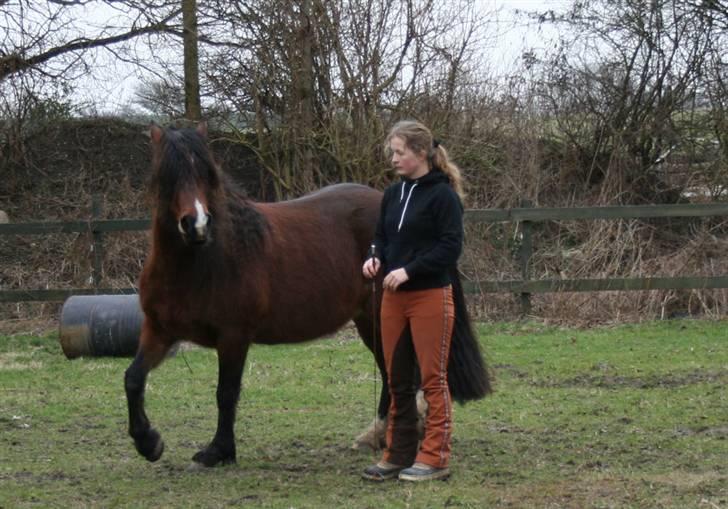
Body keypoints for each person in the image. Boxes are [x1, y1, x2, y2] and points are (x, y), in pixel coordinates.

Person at [362, 120, 465, 482]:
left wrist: (409, 270)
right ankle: (397, 453)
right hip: (393, 300)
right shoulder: (393, 195)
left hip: (430, 296)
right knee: (396, 379)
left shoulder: (443, 197)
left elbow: (450, 247)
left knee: (433, 380)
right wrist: (374, 257)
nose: (393, 159)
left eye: (399, 152)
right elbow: (381, 237)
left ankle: (435, 456)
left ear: (420, 153)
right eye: (392, 152)